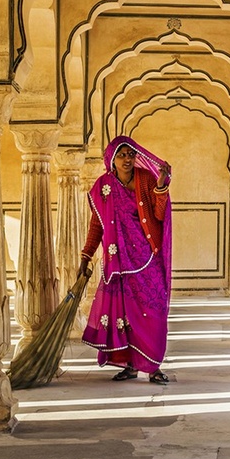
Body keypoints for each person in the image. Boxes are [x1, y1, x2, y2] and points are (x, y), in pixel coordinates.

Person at [78, 136, 173, 385]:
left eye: (131, 154)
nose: (128, 159)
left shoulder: (147, 179)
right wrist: (86, 256)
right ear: (111, 158)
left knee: (154, 310)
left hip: (146, 257)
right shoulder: (103, 186)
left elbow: (159, 214)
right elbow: (97, 225)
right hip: (117, 262)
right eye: (122, 155)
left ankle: (153, 367)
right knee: (123, 315)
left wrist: (161, 186)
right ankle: (130, 365)